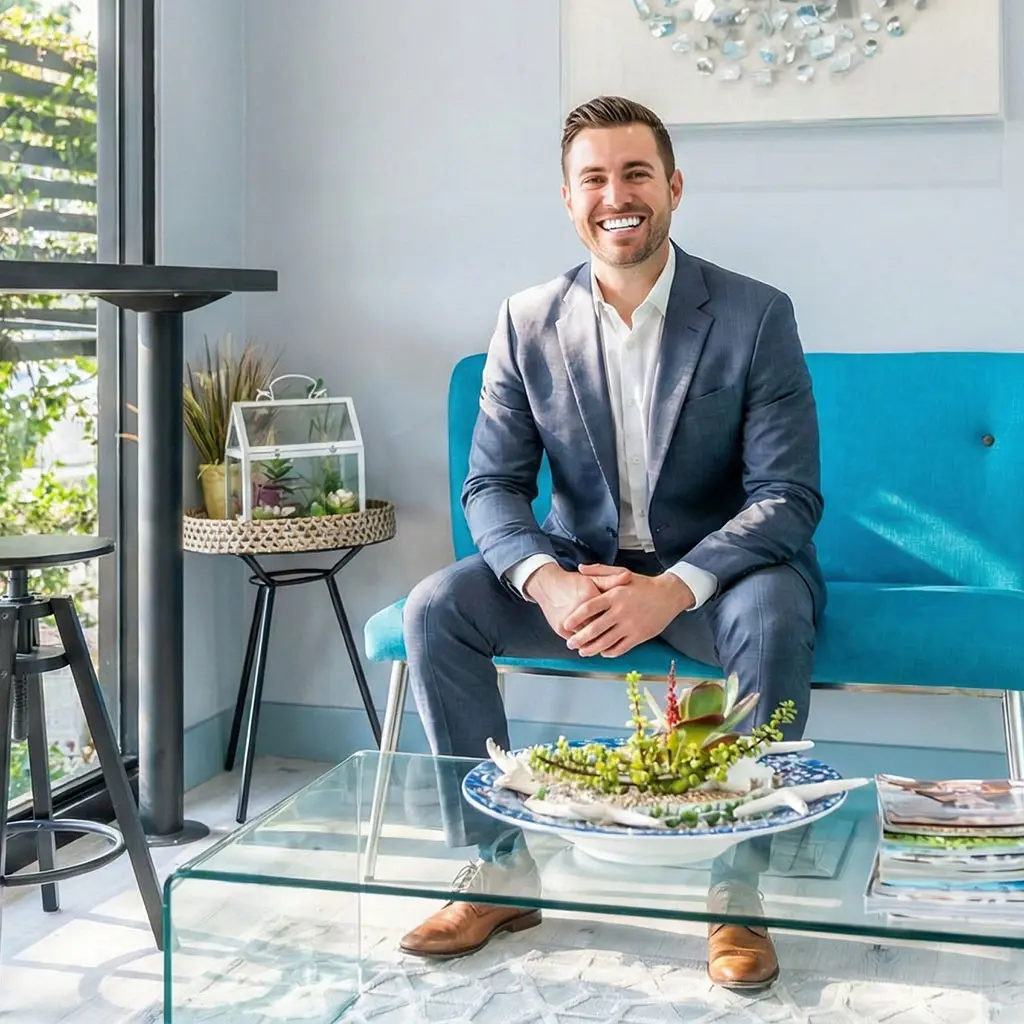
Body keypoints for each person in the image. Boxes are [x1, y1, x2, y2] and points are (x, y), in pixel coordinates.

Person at [398, 94, 825, 991]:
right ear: (568, 199)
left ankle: (737, 891)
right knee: (437, 607)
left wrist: (673, 588)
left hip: (718, 582)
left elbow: (787, 497)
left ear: (673, 187)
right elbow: (492, 486)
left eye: (636, 174)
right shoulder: (525, 320)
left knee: (775, 613)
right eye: (594, 178)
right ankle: (499, 874)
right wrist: (546, 581)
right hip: (581, 578)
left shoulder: (755, 314)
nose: (616, 195)